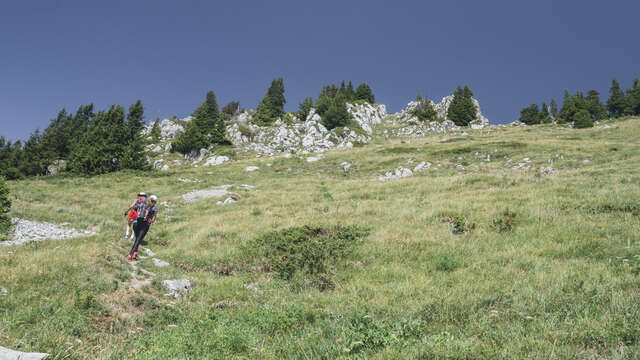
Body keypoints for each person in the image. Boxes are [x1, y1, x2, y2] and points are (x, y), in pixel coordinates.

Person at [128, 194, 158, 261]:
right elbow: (153, 220)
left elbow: (135, 209)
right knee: (138, 240)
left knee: (137, 240)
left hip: (136, 223)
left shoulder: (142, 203)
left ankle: (135, 253)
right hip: (145, 225)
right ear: (154, 202)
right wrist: (149, 220)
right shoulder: (155, 208)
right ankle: (130, 254)